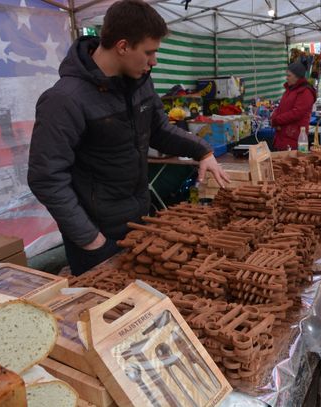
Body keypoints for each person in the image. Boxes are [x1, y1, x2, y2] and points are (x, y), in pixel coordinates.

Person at [28, 0, 229, 276]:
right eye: (149, 52)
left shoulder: (140, 82)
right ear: (122, 46)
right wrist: (91, 240)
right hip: (96, 236)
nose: (154, 61)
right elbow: (46, 177)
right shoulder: (64, 100)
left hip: (138, 220)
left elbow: (159, 130)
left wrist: (202, 151)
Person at [270, 62, 316, 151]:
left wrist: (276, 120)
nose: (286, 78)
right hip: (282, 135)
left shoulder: (306, 92)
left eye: (289, 75)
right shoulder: (290, 89)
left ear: (297, 77)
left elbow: (297, 113)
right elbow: (281, 107)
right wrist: (274, 117)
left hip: (294, 136)